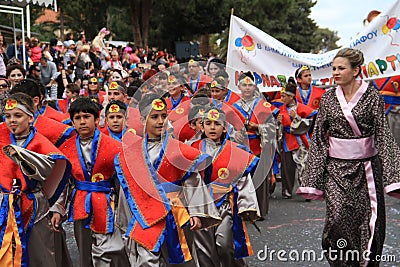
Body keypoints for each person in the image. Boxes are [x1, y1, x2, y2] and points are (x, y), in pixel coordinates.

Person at [297, 48, 400, 266]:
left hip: (367, 171)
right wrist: (313, 178)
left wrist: (393, 176)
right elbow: (319, 139)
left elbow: (383, 135)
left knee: (368, 223)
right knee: (337, 220)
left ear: (355, 71)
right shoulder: (327, 98)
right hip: (336, 170)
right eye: (333, 68)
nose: (335, 72)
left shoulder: (372, 97)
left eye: (341, 68)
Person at [114, 93, 221, 266]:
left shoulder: (177, 150)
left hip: (176, 213)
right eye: (154, 117)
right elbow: (128, 189)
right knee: (146, 261)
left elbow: (192, 182)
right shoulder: (130, 155)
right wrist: (126, 221)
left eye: (164, 116)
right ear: (142, 120)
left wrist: (195, 212)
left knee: (180, 260)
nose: (160, 121)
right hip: (144, 214)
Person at [53, 97, 130, 267]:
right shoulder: (66, 148)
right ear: (72, 122)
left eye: (86, 117)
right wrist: (58, 208)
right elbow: (63, 183)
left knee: (109, 250)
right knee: (84, 251)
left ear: (96, 119)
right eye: (78, 118)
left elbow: (122, 183)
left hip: (109, 204)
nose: (82, 122)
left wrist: (124, 211)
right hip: (81, 203)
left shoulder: (113, 146)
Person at [0, 92, 71, 266]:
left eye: (18, 115)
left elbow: (52, 170)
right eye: (7, 116)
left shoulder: (40, 142)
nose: (12, 120)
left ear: (31, 118)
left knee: (39, 252)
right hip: (4, 203)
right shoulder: (1, 138)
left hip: (34, 205)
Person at [190, 107, 260, 267]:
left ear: (225, 127)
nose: (212, 128)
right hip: (200, 206)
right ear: (202, 125)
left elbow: (244, 180)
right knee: (204, 251)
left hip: (225, 205)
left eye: (217, 123)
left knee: (225, 245)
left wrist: (247, 206)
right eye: (208, 123)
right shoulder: (192, 149)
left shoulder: (235, 151)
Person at [232, 72, 277, 218]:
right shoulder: (232, 107)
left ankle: (260, 211)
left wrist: (257, 127)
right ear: (238, 86)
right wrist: (233, 134)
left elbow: (273, 127)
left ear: (255, 86)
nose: (247, 88)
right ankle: (244, 211)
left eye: (250, 85)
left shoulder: (263, 105)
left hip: (259, 146)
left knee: (260, 179)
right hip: (240, 148)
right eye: (244, 85)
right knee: (243, 180)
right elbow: (226, 127)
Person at [277, 83, 317, 199]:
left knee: (303, 166)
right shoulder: (281, 109)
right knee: (286, 167)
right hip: (286, 140)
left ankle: (306, 191)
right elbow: (277, 127)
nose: (282, 99)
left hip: (300, 141)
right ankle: (287, 191)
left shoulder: (302, 109)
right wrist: (278, 123)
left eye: (284, 96)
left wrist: (297, 118)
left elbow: (309, 124)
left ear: (291, 97)